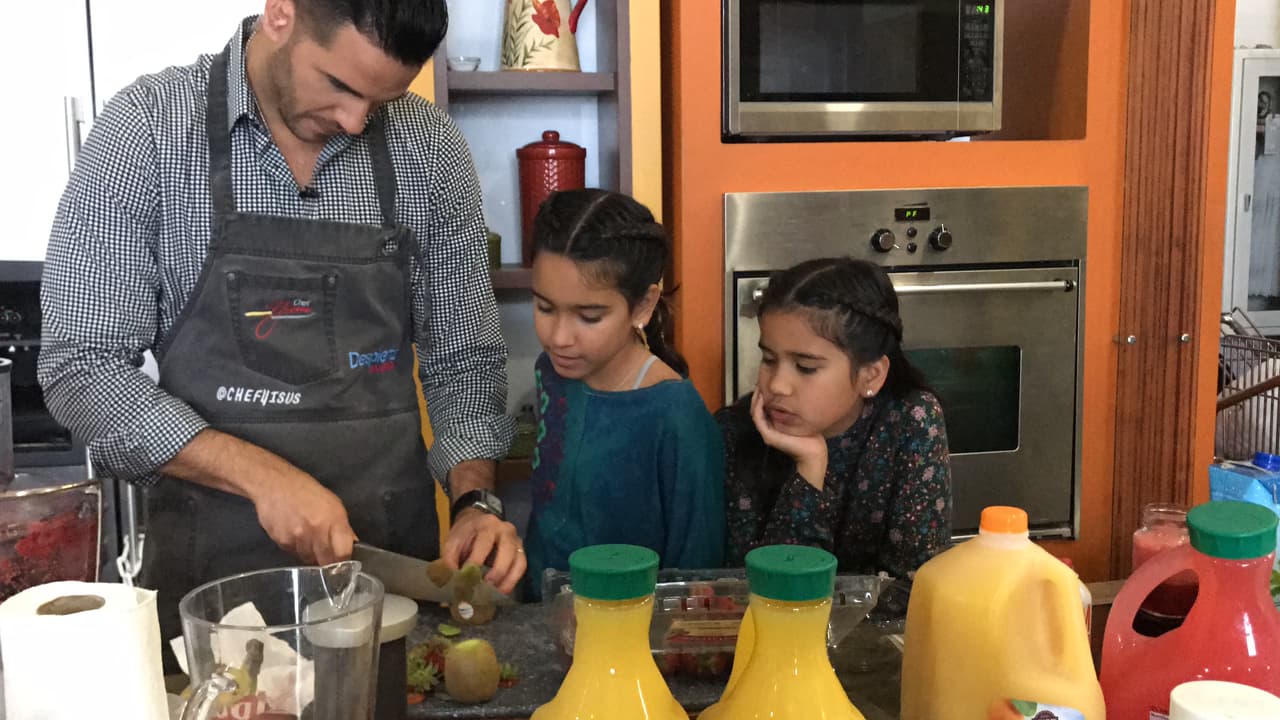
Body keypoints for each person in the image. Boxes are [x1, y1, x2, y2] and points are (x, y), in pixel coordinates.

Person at [37, 0, 523, 650]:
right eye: (341, 86)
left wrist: (474, 501)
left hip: (387, 596)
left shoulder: (429, 150)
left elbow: (464, 363)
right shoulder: (148, 131)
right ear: (280, 14)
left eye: (379, 102)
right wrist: (263, 477)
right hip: (208, 596)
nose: (356, 122)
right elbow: (80, 368)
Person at [523, 189, 725, 598]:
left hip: (628, 638)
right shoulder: (553, 372)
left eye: (589, 316)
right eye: (545, 308)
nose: (559, 337)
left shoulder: (675, 413)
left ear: (643, 306)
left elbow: (699, 573)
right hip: (542, 619)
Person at [717, 257, 951, 578]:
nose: (776, 385)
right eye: (769, 359)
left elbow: (915, 583)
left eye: (806, 367)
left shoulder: (912, 419)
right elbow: (770, 588)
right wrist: (810, 467)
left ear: (871, 375)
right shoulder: (735, 431)